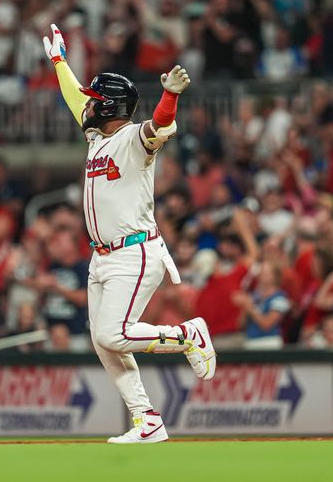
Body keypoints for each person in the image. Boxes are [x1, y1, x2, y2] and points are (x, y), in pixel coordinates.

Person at [44, 23, 215, 444]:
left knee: (113, 333)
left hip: (135, 251)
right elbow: (74, 96)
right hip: (102, 257)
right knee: (104, 343)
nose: (89, 103)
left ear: (111, 107)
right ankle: (147, 420)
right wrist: (60, 62)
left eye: (97, 100)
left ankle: (187, 334)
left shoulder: (132, 139)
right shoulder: (94, 137)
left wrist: (170, 95)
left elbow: (158, 127)